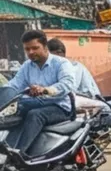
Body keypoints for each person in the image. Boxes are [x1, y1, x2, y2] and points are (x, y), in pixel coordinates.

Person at [1, 30, 75, 158]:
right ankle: (6, 150)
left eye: (35, 48)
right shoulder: (27, 66)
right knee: (13, 112)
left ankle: (19, 155)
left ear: (45, 47)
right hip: (36, 103)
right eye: (27, 49)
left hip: (60, 107)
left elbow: (67, 84)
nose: (31, 52)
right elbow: (14, 85)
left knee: (35, 115)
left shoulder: (61, 63)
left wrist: (46, 90)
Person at [46, 38, 105, 116]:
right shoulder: (50, 68)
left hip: (81, 99)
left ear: (60, 53)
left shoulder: (75, 67)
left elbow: (70, 90)